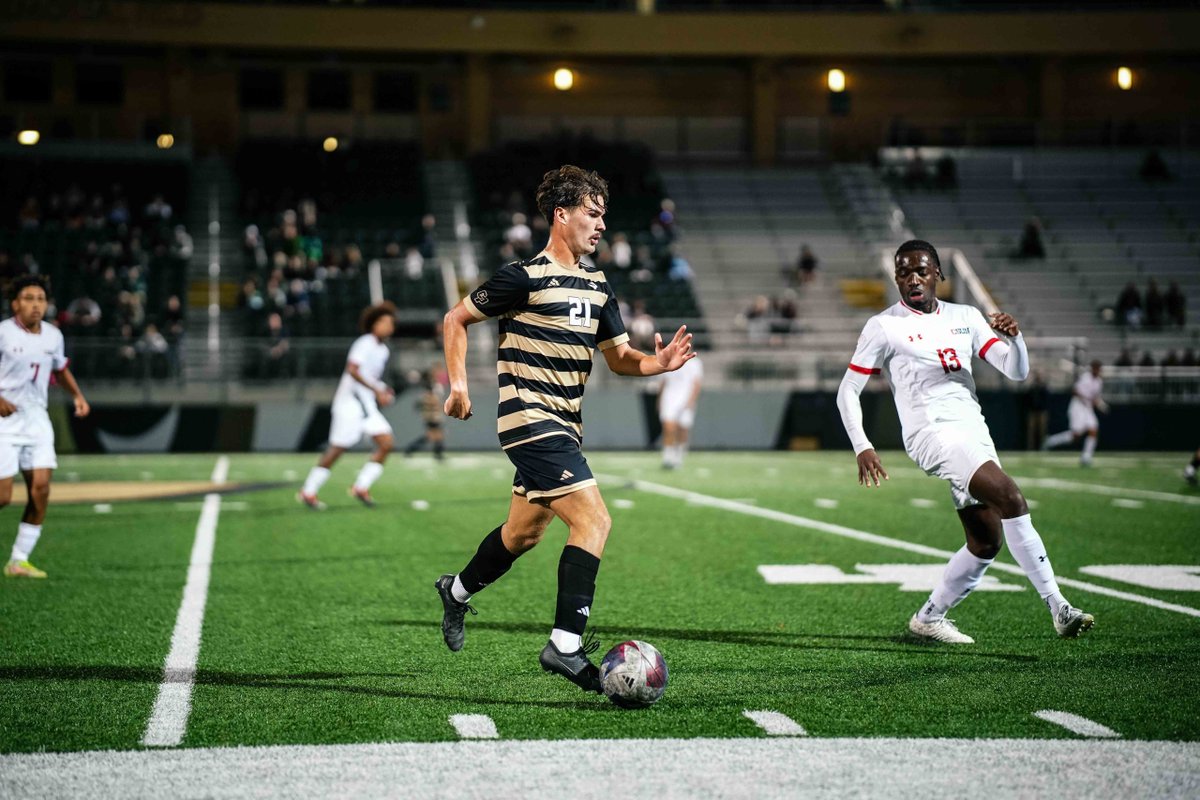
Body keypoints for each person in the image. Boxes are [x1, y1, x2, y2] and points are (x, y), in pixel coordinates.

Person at [434, 165, 694, 693]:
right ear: (562, 214)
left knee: (522, 534)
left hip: (566, 426)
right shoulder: (522, 277)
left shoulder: (598, 284)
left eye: (603, 216)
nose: (601, 226)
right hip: (528, 419)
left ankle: (456, 591)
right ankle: (565, 646)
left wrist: (658, 363)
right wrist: (459, 386)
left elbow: (620, 358)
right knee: (594, 522)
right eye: (592, 214)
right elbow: (454, 319)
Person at [837, 240, 1093, 644]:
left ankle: (928, 617)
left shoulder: (966, 316)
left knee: (985, 540)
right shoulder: (883, 325)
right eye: (903, 272)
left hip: (974, 431)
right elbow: (848, 390)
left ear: (939, 274)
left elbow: (1015, 372)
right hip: (931, 434)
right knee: (1011, 498)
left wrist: (1018, 340)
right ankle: (1058, 605)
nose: (912, 279)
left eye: (921, 270)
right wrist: (862, 445)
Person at [2, 275, 91, 579]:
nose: (36, 304)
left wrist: (77, 395)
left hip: (37, 418)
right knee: (2, 497)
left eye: (40, 298)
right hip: (4, 422)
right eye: (28, 298)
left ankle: (18, 560)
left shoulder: (53, 335)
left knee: (40, 490)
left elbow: (60, 369)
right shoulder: (3, 333)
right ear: (15, 303)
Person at [298, 302, 398, 510]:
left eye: (391, 323)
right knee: (337, 449)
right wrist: (376, 389)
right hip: (350, 404)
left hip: (367, 406)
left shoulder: (383, 350)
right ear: (373, 324)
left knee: (387, 443)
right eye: (384, 322)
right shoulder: (365, 342)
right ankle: (308, 491)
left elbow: (371, 377)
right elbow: (352, 370)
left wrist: (383, 389)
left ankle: (361, 487)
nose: (388, 326)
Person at [1042, 360, 1107, 467]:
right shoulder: (1086, 378)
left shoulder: (1099, 382)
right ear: (1092, 368)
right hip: (1078, 407)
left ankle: (1086, 457)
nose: (1098, 371)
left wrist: (1101, 405)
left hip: (1087, 408)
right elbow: (1075, 391)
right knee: (1075, 436)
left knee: (1093, 429)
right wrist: (1087, 398)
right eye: (1096, 368)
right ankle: (1051, 441)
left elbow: (1095, 398)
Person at [658, 354, 703, 469]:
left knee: (683, 429)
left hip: (685, 399)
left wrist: (691, 400)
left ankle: (679, 456)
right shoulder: (668, 360)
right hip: (669, 399)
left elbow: (697, 383)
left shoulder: (695, 363)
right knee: (669, 428)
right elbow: (663, 382)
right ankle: (667, 457)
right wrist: (660, 399)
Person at [402, 372, 446, 461]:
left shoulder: (425, 397)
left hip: (430, 418)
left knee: (434, 436)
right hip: (433, 419)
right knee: (434, 436)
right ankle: (410, 449)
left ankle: (437, 454)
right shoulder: (431, 397)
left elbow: (417, 406)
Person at [1023, 369, 1050, 451]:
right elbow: (1028, 399)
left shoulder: (1044, 388)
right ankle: (1030, 448)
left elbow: (1047, 399)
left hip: (1042, 412)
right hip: (1033, 412)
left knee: (1042, 431)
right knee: (1031, 431)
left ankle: (1043, 447)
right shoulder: (1032, 388)